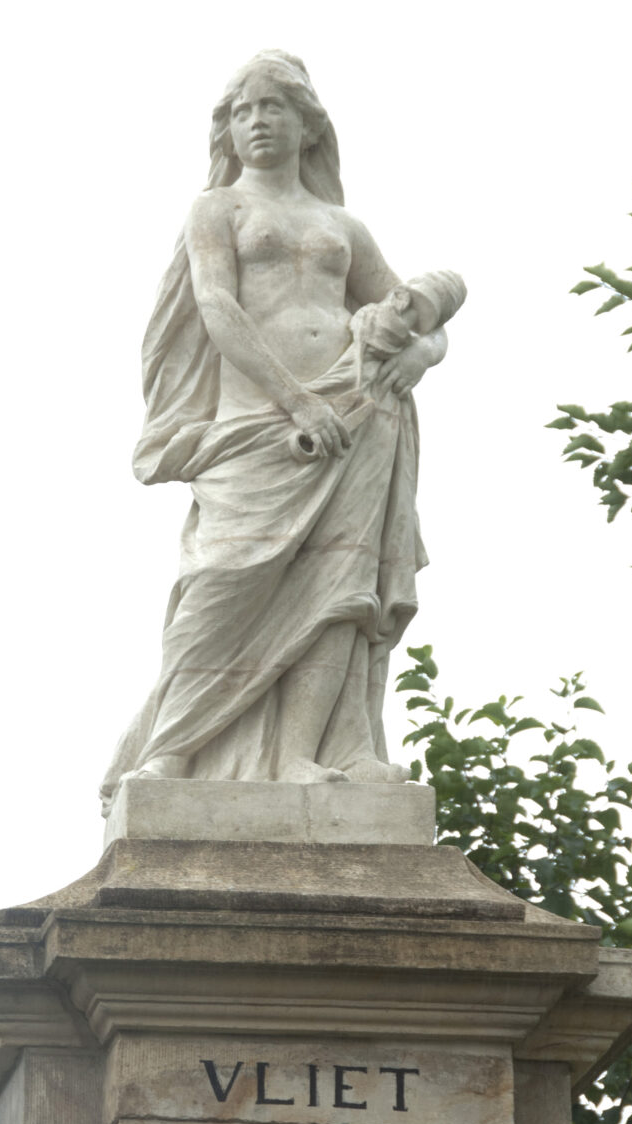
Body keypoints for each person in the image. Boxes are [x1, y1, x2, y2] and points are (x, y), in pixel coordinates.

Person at [101, 51, 466, 811]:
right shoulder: (218, 210)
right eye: (243, 111)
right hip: (263, 423)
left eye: (274, 108)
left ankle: (312, 752)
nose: (258, 122)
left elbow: (419, 316)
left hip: (361, 413)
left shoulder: (343, 226)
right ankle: (170, 750)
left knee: (340, 586)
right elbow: (217, 307)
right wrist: (299, 403)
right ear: (227, 131)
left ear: (309, 127)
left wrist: (420, 355)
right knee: (222, 581)